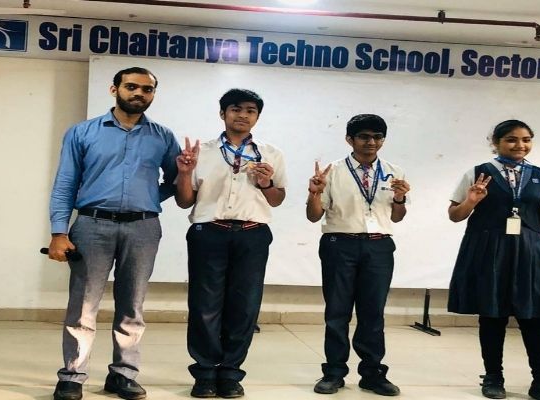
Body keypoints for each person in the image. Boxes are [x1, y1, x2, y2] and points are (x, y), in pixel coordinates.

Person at [46, 67, 180, 400]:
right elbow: (65, 183)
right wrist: (59, 231)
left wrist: (148, 198)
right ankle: (72, 376)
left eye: (147, 89)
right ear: (114, 89)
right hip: (92, 225)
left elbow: (177, 180)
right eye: (131, 86)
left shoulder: (163, 136)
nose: (139, 93)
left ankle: (123, 374)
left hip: (143, 228)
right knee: (83, 306)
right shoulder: (83, 132)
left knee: (132, 304)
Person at [174, 88, 287, 398]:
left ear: (257, 117)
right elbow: (184, 201)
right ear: (222, 113)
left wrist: (266, 183)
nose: (243, 115)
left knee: (245, 306)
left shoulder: (272, 153)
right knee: (204, 305)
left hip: (253, 234)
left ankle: (231, 373)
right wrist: (184, 173)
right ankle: (205, 373)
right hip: (209, 232)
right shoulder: (201, 152)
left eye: (250, 110)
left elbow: (277, 199)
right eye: (236, 109)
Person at [447, 120, 540, 400]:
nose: (520, 145)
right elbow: (455, 215)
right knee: (492, 315)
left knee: (534, 317)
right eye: (511, 139)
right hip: (488, 248)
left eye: (526, 139)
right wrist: (472, 201)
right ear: (496, 142)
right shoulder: (478, 172)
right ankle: (493, 378)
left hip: (528, 250)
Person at [306, 114, 408, 397]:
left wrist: (400, 199)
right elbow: (313, 216)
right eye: (364, 136)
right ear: (349, 139)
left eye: (377, 137)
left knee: (373, 313)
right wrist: (314, 193)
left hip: (379, 246)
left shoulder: (394, 171)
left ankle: (373, 374)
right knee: (337, 312)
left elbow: (397, 217)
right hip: (340, 244)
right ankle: (334, 373)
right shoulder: (333, 171)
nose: (371, 142)